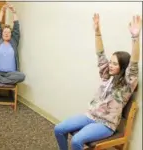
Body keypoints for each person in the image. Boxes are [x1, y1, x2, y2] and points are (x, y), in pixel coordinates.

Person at [54, 14, 141, 150]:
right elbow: (100, 55)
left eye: (114, 64)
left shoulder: (127, 84)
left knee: (76, 141)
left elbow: (134, 62)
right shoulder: (107, 76)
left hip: (106, 125)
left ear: (123, 67)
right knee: (59, 129)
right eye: (110, 62)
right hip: (90, 116)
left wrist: (135, 38)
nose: (110, 65)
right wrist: (97, 32)